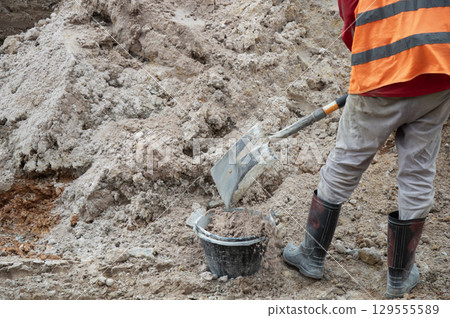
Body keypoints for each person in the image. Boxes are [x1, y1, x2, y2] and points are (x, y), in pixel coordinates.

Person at [283, 0, 450, 298]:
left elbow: (350, 17)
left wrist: (372, 58)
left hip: (382, 70)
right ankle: (398, 278)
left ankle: (311, 255)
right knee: (418, 170)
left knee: (348, 158)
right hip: (439, 69)